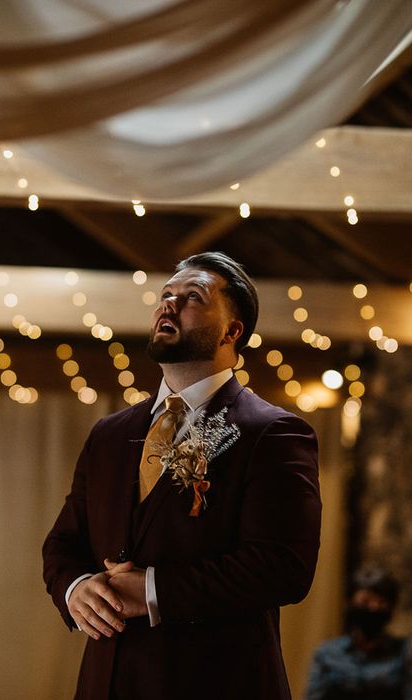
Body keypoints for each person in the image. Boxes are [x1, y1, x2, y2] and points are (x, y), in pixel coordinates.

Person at [42, 251, 322, 700]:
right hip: (107, 681)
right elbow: (63, 543)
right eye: (166, 295)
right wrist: (75, 588)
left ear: (233, 331)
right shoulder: (109, 434)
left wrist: (153, 590)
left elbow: (283, 568)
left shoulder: (272, 432)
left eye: (192, 297)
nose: (168, 305)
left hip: (216, 680)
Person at [306, 566, 412, 699]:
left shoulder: (404, 652)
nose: (374, 607)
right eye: (365, 601)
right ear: (351, 604)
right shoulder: (328, 653)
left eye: (381, 602)